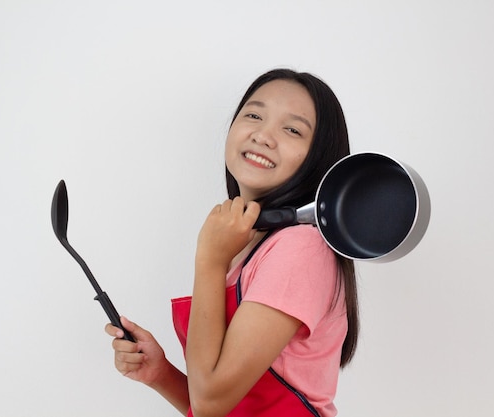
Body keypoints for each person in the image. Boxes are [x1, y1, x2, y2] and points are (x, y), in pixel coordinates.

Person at [105, 68, 359, 417]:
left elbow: (211, 402)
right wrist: (161, 374)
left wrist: (210, 260)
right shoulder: (250, 245)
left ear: (319, 158)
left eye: (292, 129)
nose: (263, 136)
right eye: (254, 115)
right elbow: (226, 406)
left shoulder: (301, 247)